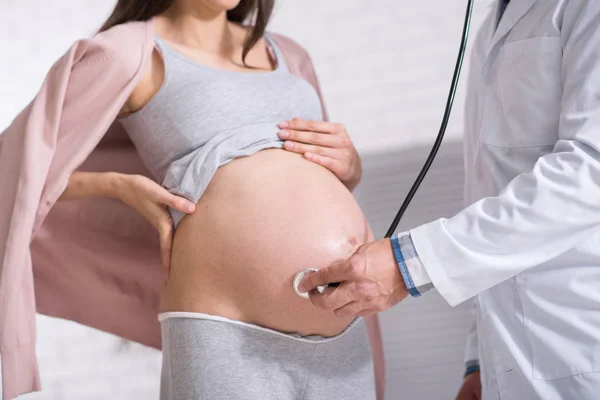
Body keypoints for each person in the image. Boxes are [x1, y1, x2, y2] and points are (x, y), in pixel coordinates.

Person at [0, 1, 385, 399]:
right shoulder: (129, 52)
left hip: (343, 329)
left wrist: (350, 167)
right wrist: (116, 184)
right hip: (224, 331)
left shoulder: (289, 53)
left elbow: (316, 178)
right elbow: (14, 167)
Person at [300, 0, 600, 399]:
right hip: (513, 354)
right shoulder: (489, 29)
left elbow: (590, 172)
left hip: (581, 333)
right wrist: (480, 359)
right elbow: (490, 195)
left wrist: (410, 265)